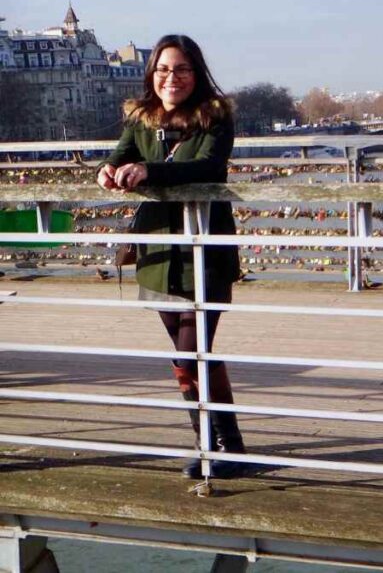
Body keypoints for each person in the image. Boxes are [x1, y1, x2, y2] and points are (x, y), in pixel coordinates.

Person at [97, 34, 247, 479]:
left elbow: (207, 167)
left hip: (205, 247)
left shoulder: (215, 117)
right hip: (158, 249)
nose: (171, 78)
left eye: (181, 69)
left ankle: (226, 446)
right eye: (163, 69)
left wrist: (150, 171)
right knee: (186, 356)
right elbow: (118, 156)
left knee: (192, 351)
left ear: (196, 74)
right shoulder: (141, 118)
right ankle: (212, 443)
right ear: (152, 75)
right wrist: (107, 170)